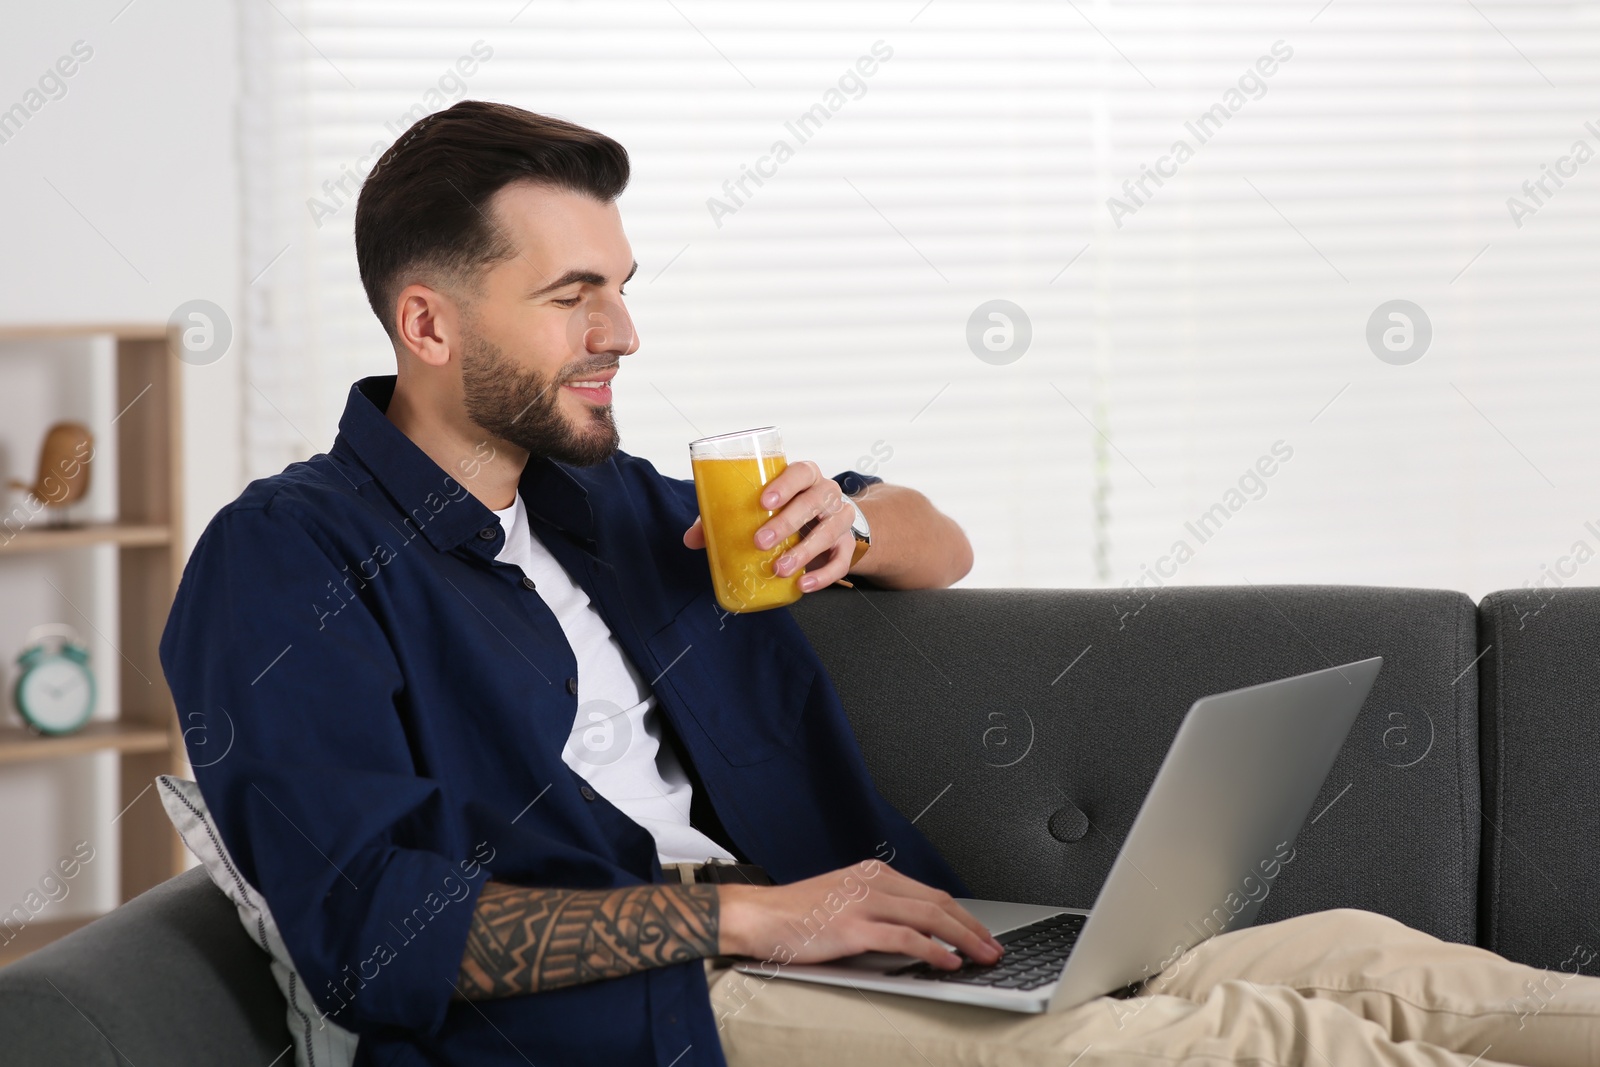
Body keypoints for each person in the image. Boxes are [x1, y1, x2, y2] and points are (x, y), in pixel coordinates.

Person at [160, 101, 1600, 1067]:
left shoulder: (613, 507)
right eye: (572, 296)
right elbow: (375, 936)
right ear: (427, 319)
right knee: (1247, 1042)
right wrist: (758, 917)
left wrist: (861, 532)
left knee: (1359, 960)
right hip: (657, 1012)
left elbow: (934, 538)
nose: (627, 330)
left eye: (622, 280)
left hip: (845, 954)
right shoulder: (282, 563)